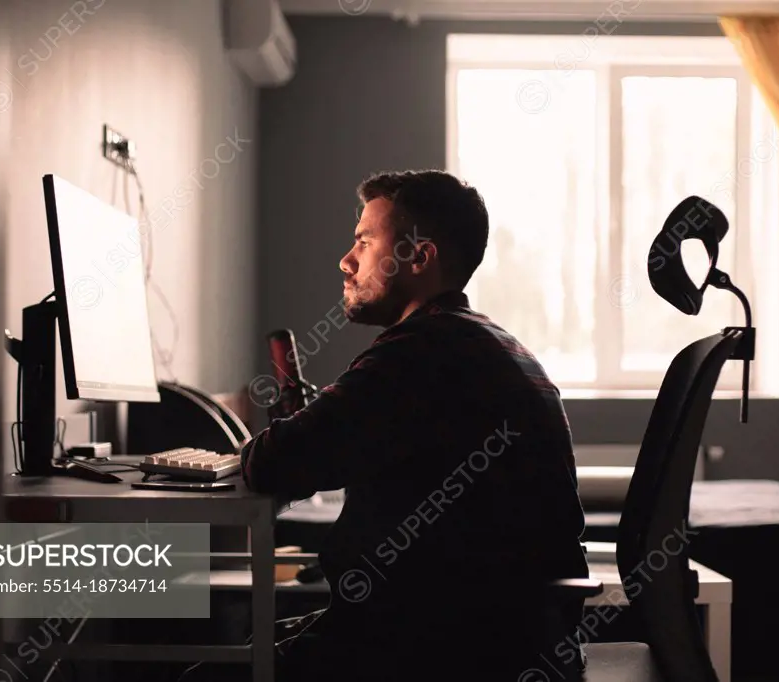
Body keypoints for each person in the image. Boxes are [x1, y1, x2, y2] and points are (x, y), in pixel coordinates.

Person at [240, 169, 590, 682]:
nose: (346, 260)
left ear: (419, 257)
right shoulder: (485, 340)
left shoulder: (419, 352)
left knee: (211, 669)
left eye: (364, 241)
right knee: (257, 645)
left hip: (446, 647)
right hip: (516, 636)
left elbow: (272, 464)